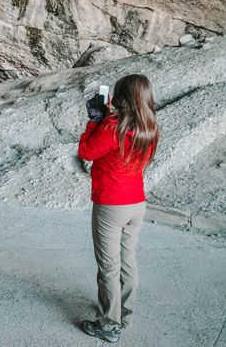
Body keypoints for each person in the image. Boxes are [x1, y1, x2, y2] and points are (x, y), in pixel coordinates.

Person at [77, 74, 159, 343]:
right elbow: (124, 131)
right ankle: (124, 315)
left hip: (112, 203)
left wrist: (93, 121)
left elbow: (87, 152)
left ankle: (109, 326)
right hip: (137, 203)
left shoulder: (112, 126)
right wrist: (110, 115)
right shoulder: (149, 125)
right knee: (127, 261)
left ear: (120, 96)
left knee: (108, 267)